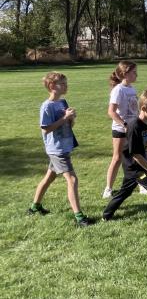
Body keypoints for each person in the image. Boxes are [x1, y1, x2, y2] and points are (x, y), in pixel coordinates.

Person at [28, 72, 91, 227]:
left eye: (66, 83)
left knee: (50, 177)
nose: (65, 86)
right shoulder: (47, 106)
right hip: (56, 149)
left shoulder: (62, 102)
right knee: (72, 180)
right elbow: (46, 129)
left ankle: (34, 207)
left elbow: (68, 125)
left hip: (64, 145)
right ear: (51, 86)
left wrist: (71, 118)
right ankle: (79, 217)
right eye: (62, 84)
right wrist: (64, 118)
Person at [103, 89, 147, 230]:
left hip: (143, 164)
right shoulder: (133, 126)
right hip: (133, 167)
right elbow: (136, 155)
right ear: (144, 108)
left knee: (125, 192)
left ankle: (106, 215)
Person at [104, 61, 147, 198]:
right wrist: (124, 125)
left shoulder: (132, 89)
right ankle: (108, 189)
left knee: (138, 157)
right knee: (117, 158)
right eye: (134, 72)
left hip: (133, 129)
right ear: (125, 74)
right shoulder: (118, 90)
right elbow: (111, 112)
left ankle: (142, 186)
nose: (136, 75)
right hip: (120, 130)